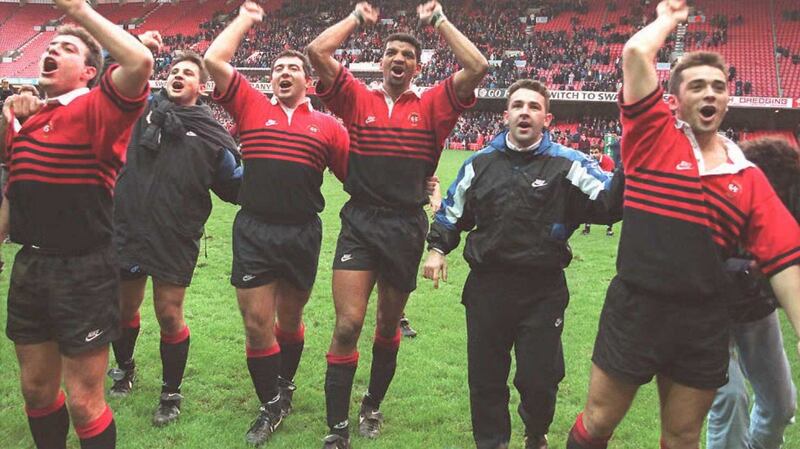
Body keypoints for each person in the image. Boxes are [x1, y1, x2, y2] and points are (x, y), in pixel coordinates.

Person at [566, 2, 800, 449]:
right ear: (674, 100)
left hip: (704, 320)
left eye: (717, 86)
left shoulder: (747, 178)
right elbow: (635, 54)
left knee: (682, 438)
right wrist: (669, 20)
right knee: (598, 422)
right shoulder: (651, 137)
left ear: (728, 99)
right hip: (637, 307)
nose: (709, 93)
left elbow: (787, 262)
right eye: (696, 86)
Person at [306, 1, 488, 447]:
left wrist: (440, 20)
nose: (399, 59)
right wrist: (354, 18)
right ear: (381, 60)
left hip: (406, 226)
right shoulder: (357, 97)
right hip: (360, 223)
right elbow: (316, 52)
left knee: (387, 326)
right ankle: (337, 428)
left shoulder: (433, 105)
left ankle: (372, 404)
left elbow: (477, 65)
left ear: (417, 65)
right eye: (392, 52)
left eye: (408, 54)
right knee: (348, 325)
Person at [423, 79, 623, 449]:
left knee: (540, 378)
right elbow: (452, 211)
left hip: (542, 290)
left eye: (533, 106)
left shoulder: (569, 164)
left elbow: (610, 202)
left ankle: (535, 431)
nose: (525, 112)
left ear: (547, 118)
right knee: (485, 378)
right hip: (487, 287)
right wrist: (437, 249)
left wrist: (631, 156)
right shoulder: (479, 163)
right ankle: (492, 442)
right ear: (506, 115)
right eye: (518, 105)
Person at [1, 0, 153, 446]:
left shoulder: (98, 110)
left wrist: (78, 11)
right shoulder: (25, 118)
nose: (53, 49)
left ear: (89, 72)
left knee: (84, 400)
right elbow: (13, 189)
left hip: (83, 270)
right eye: (51, 44)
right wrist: (10, 112)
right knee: (35, 389)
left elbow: (140, 61)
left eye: (66, 48)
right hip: (30, 266)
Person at [204, 2, 350, 445]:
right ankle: (270, 404)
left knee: (290, 319)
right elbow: (214, 60)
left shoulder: (328, 127)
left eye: (293, 68)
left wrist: (414, 185)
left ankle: (283, 386)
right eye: (277, 68)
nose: (284, 73)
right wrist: (247, 18)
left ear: (310, 80)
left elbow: (359, 181)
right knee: (256, 323)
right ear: (270, 79)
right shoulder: (249, 106)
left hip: (303, 232)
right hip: (254, 229)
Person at [107, 49, 242, 427]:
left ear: (201, 86)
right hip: (129, 225)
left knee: (168, 314)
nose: (178, 75)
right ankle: (125, 367)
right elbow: (109, 80)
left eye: (187, 72)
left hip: (174, 234)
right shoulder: (139, 111)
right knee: (123, 309)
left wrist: (271, 172)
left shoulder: (211, 132)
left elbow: (234, 186)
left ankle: (170, 393)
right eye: (174, 70)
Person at [706, 137, 799, 449]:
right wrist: (749, 267)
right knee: (730, 399)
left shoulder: (790, 203)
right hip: (707, 312)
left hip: (756, 311)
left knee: (781, 405)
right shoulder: (718, 195)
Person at [582, 144, 616, 236]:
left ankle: (609, 229)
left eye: (596, 152)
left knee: (608, 207)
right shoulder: (588, 160)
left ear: (601, 153)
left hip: (605, 186)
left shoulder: (608, 160)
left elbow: (606, 177)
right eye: (591, 152)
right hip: (592, 186)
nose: (593, 155)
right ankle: (587, 228)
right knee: (588, 205)